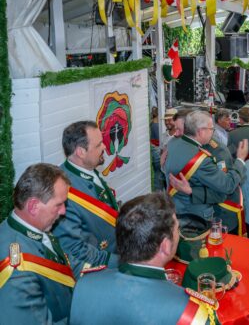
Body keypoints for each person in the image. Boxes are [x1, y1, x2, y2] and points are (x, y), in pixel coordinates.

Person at [69, 194, 218, 324]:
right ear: (165, 246)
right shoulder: (191, 313)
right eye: (177, 229)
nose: (179, 234)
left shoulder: (84, 285)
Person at [0, 165, 75, 323]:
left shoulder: (32, 229)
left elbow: (62, 266)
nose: (63, 211)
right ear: (34, 206)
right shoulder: (16, 271)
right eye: (58, 205)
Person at [163, 109, 248, 234]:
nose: (213, 132)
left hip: (175, 208)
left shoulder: (173, 143)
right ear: (200, 131)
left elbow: (169, 168)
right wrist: (240, 160)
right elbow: (227, 186)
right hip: (196, 217)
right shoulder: (201, 159)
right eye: (211, 129)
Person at [56, 121, 122, 275]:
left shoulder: (87, 168)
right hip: (103, 269)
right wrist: (121, 262)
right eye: (99, 145)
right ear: (81, 152)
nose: (105, 147)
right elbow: (76, 250)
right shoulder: (63, 191)